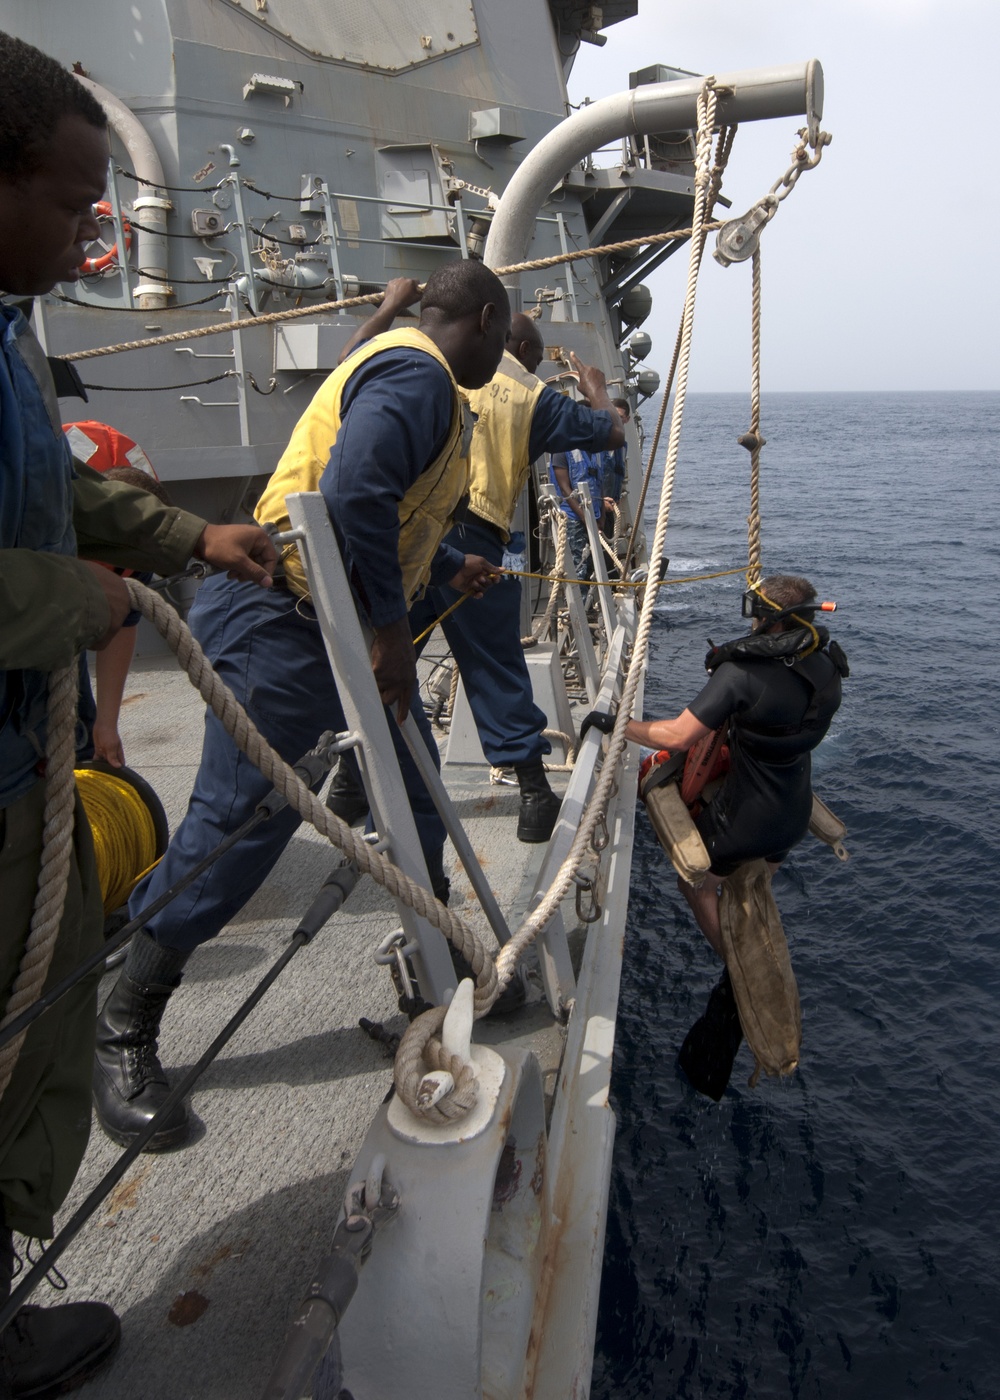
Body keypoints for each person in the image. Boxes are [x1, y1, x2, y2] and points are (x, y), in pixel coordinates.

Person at [0, 32, 277, 1395]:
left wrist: (184, 540)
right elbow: (44, 559)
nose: (91, 228)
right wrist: (78, 605)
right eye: (67, 198)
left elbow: (54, 489)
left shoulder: (5, 338)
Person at [93, 259, 510, 1154]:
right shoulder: (418, 375)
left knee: (419, 795)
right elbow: (352, 493)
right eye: (504, 338)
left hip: (332, 618)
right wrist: (395, 635)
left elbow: (379, 516)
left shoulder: (407, 369)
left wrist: (440, 570)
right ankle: (122, 1022)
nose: (504, 354)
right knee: (238, 828)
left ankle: (434, 988)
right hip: (282, 623)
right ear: (484, 318)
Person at [327, 291, 625, 841]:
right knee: (494, 664)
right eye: (532, 354)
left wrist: (391, 306)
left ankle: (348, 781)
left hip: (405, 536)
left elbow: (354, 354)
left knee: (384, 660)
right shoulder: (530, 392)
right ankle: (534, 795)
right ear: (519, 346)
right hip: (474, 538)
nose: (532, 364)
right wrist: (598, 391)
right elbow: (609, 432)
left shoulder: (420, 359)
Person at [623, 575, 847, 958]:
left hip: (743, 827)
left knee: (696, 886)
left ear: (770, 620)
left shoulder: (740, 675)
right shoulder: (828, 668)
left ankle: (735, 964)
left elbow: (678, 736)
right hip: (794, 820)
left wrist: (621, 725)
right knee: (756, 877)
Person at [65, 421, 174, 768]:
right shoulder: (42, 521)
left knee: (80, 737)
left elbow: (122, 622)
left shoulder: (140, 536)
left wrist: (107, 723)